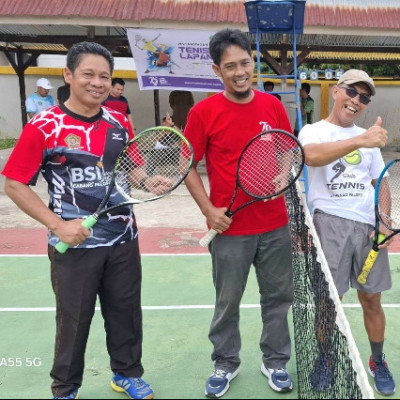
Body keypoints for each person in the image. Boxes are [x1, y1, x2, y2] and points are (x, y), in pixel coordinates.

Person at [1, 41, 168, 400]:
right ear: (69, 75)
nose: (97, 82)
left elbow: (132, 170)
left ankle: (126, 374)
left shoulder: (120, 122)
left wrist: (147, 180)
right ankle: (65, 388)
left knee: (125, 312)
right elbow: (15, 184)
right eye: (88, 74)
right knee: (74, 319)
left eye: (104, 76)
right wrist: (59, 226)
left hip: (123, 238)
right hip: (74, 244)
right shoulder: (44, 126)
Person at [183, 28, 294, 398]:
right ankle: (225, 363)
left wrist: (283, 171)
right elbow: (187, 165)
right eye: (230, 66)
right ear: (218, 71)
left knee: (277, 298)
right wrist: (209, 210)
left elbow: (288, 150)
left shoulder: (273, 106)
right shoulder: (203, 113)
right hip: (229, 228)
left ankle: (275, 360)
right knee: (227, 300)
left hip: (275, 225)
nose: (240, 71)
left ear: (253, 63)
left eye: (245, 63)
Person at [298, 69, 396, 395]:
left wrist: (383, 220)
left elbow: (380, 182)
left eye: (364, 97)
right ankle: (325, 358)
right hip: (329, 222)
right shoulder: (314, 130)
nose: (356, 101)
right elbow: (310, 158)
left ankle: (378, 361)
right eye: (352, 93)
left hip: (367, 229)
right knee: (330, 303)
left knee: (371, 299)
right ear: (337, 91)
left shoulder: (370, 138)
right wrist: (361, 139)